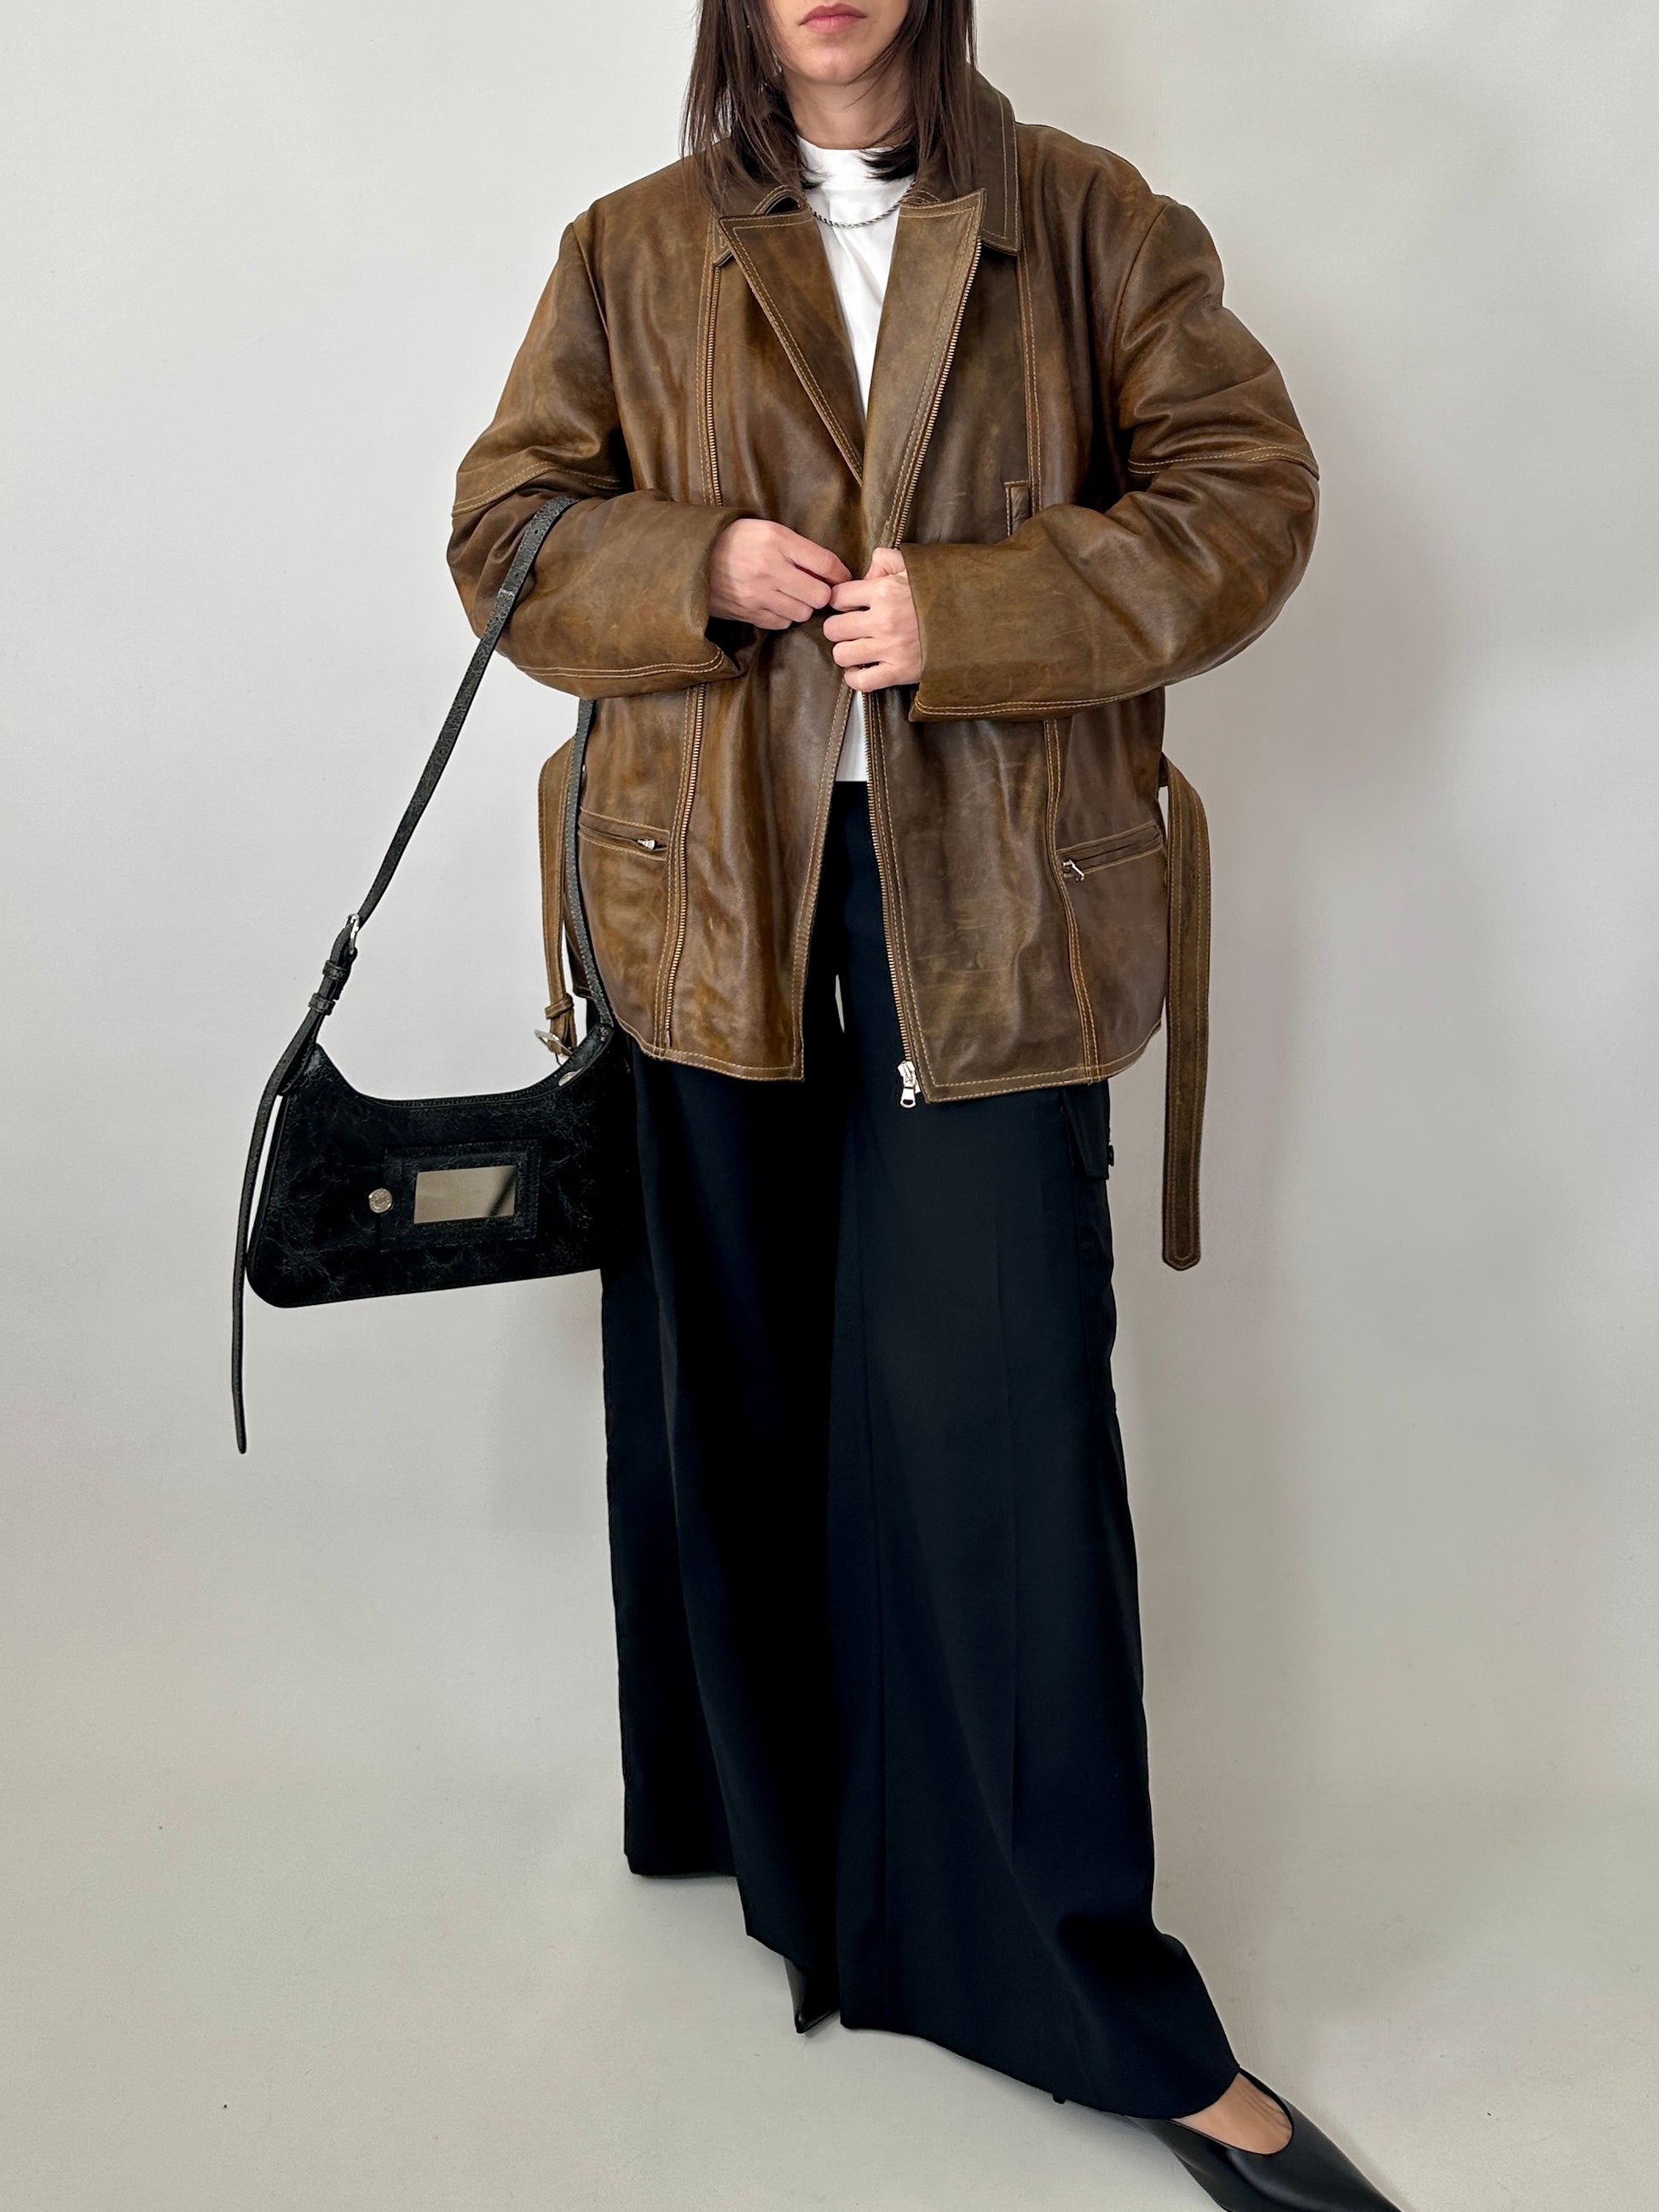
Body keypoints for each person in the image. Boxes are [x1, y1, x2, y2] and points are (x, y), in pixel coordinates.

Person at [449, 4, 1398, 2206]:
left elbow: (1246, 500)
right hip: (709, 895)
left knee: (999, 1428)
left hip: (997, 912)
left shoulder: (1087, 220)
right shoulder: (629, 245)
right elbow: (503, 530)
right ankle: (778, 1852)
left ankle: (1080, 1990)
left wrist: (968, 612)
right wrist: (689, 567)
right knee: (737, 1387)